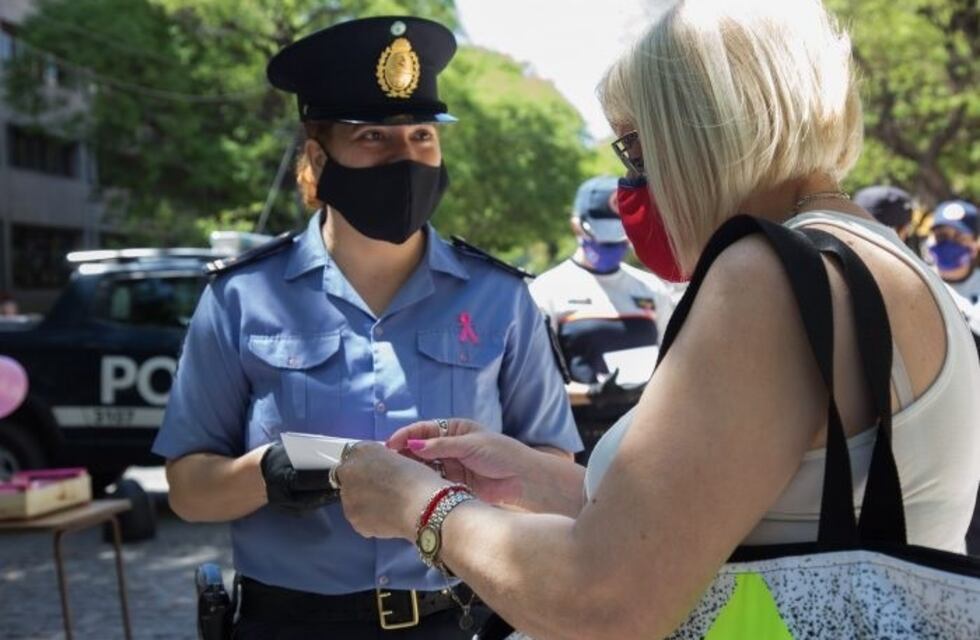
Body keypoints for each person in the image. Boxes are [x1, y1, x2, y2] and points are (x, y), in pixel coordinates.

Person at [332, 1, 980, 638]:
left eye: (637, 152)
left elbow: (603, 603)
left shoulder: (768, 272)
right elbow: (741, 515)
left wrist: (419, 505)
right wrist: (535, 479)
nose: (631, 188)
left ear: (708, 131)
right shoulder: (872, 254)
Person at [153, 16, 581, 639]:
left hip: (463, 617)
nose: (405, 157)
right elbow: (189, 490)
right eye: (374, 136)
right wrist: (270, 471)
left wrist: (474, 482)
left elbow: (552, 464)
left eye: (422, 135)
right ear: (320, 156)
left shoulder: (501, 297)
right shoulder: (242, 297)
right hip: (290, 624)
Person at [529, 175, 680, 457]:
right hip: (578, 445)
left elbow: (672, 361)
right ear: (577, 225)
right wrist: (591, 394)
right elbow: (530, 388)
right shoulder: (546, 291)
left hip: (644, 438)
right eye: (603, 237)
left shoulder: (651, 287)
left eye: (619, 237)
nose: (612, 245)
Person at [927, 199, 980, 305]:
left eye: (959, 237)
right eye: (941, 236)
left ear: (974, 246)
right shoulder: (919, 281)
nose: (949, 244)